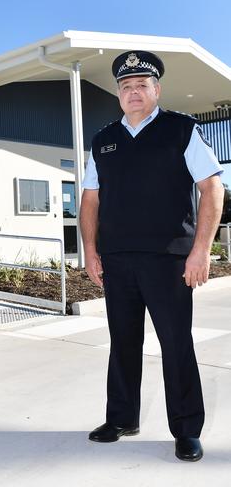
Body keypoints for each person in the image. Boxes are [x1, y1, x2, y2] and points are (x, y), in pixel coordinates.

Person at [80, 51, 224, 462]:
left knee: (176, 345)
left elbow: (212, 190)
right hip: (118, 260)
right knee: (123, 343)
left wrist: (200, 251)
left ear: (157, 90)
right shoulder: (103, 138)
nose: (134, 92)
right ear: (118, 95)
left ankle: (186, 430)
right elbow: (91, 199)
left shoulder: (181, 130)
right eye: (126, 87)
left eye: (142, 85)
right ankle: (122, 418)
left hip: (169, 261)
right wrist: (90, 250)